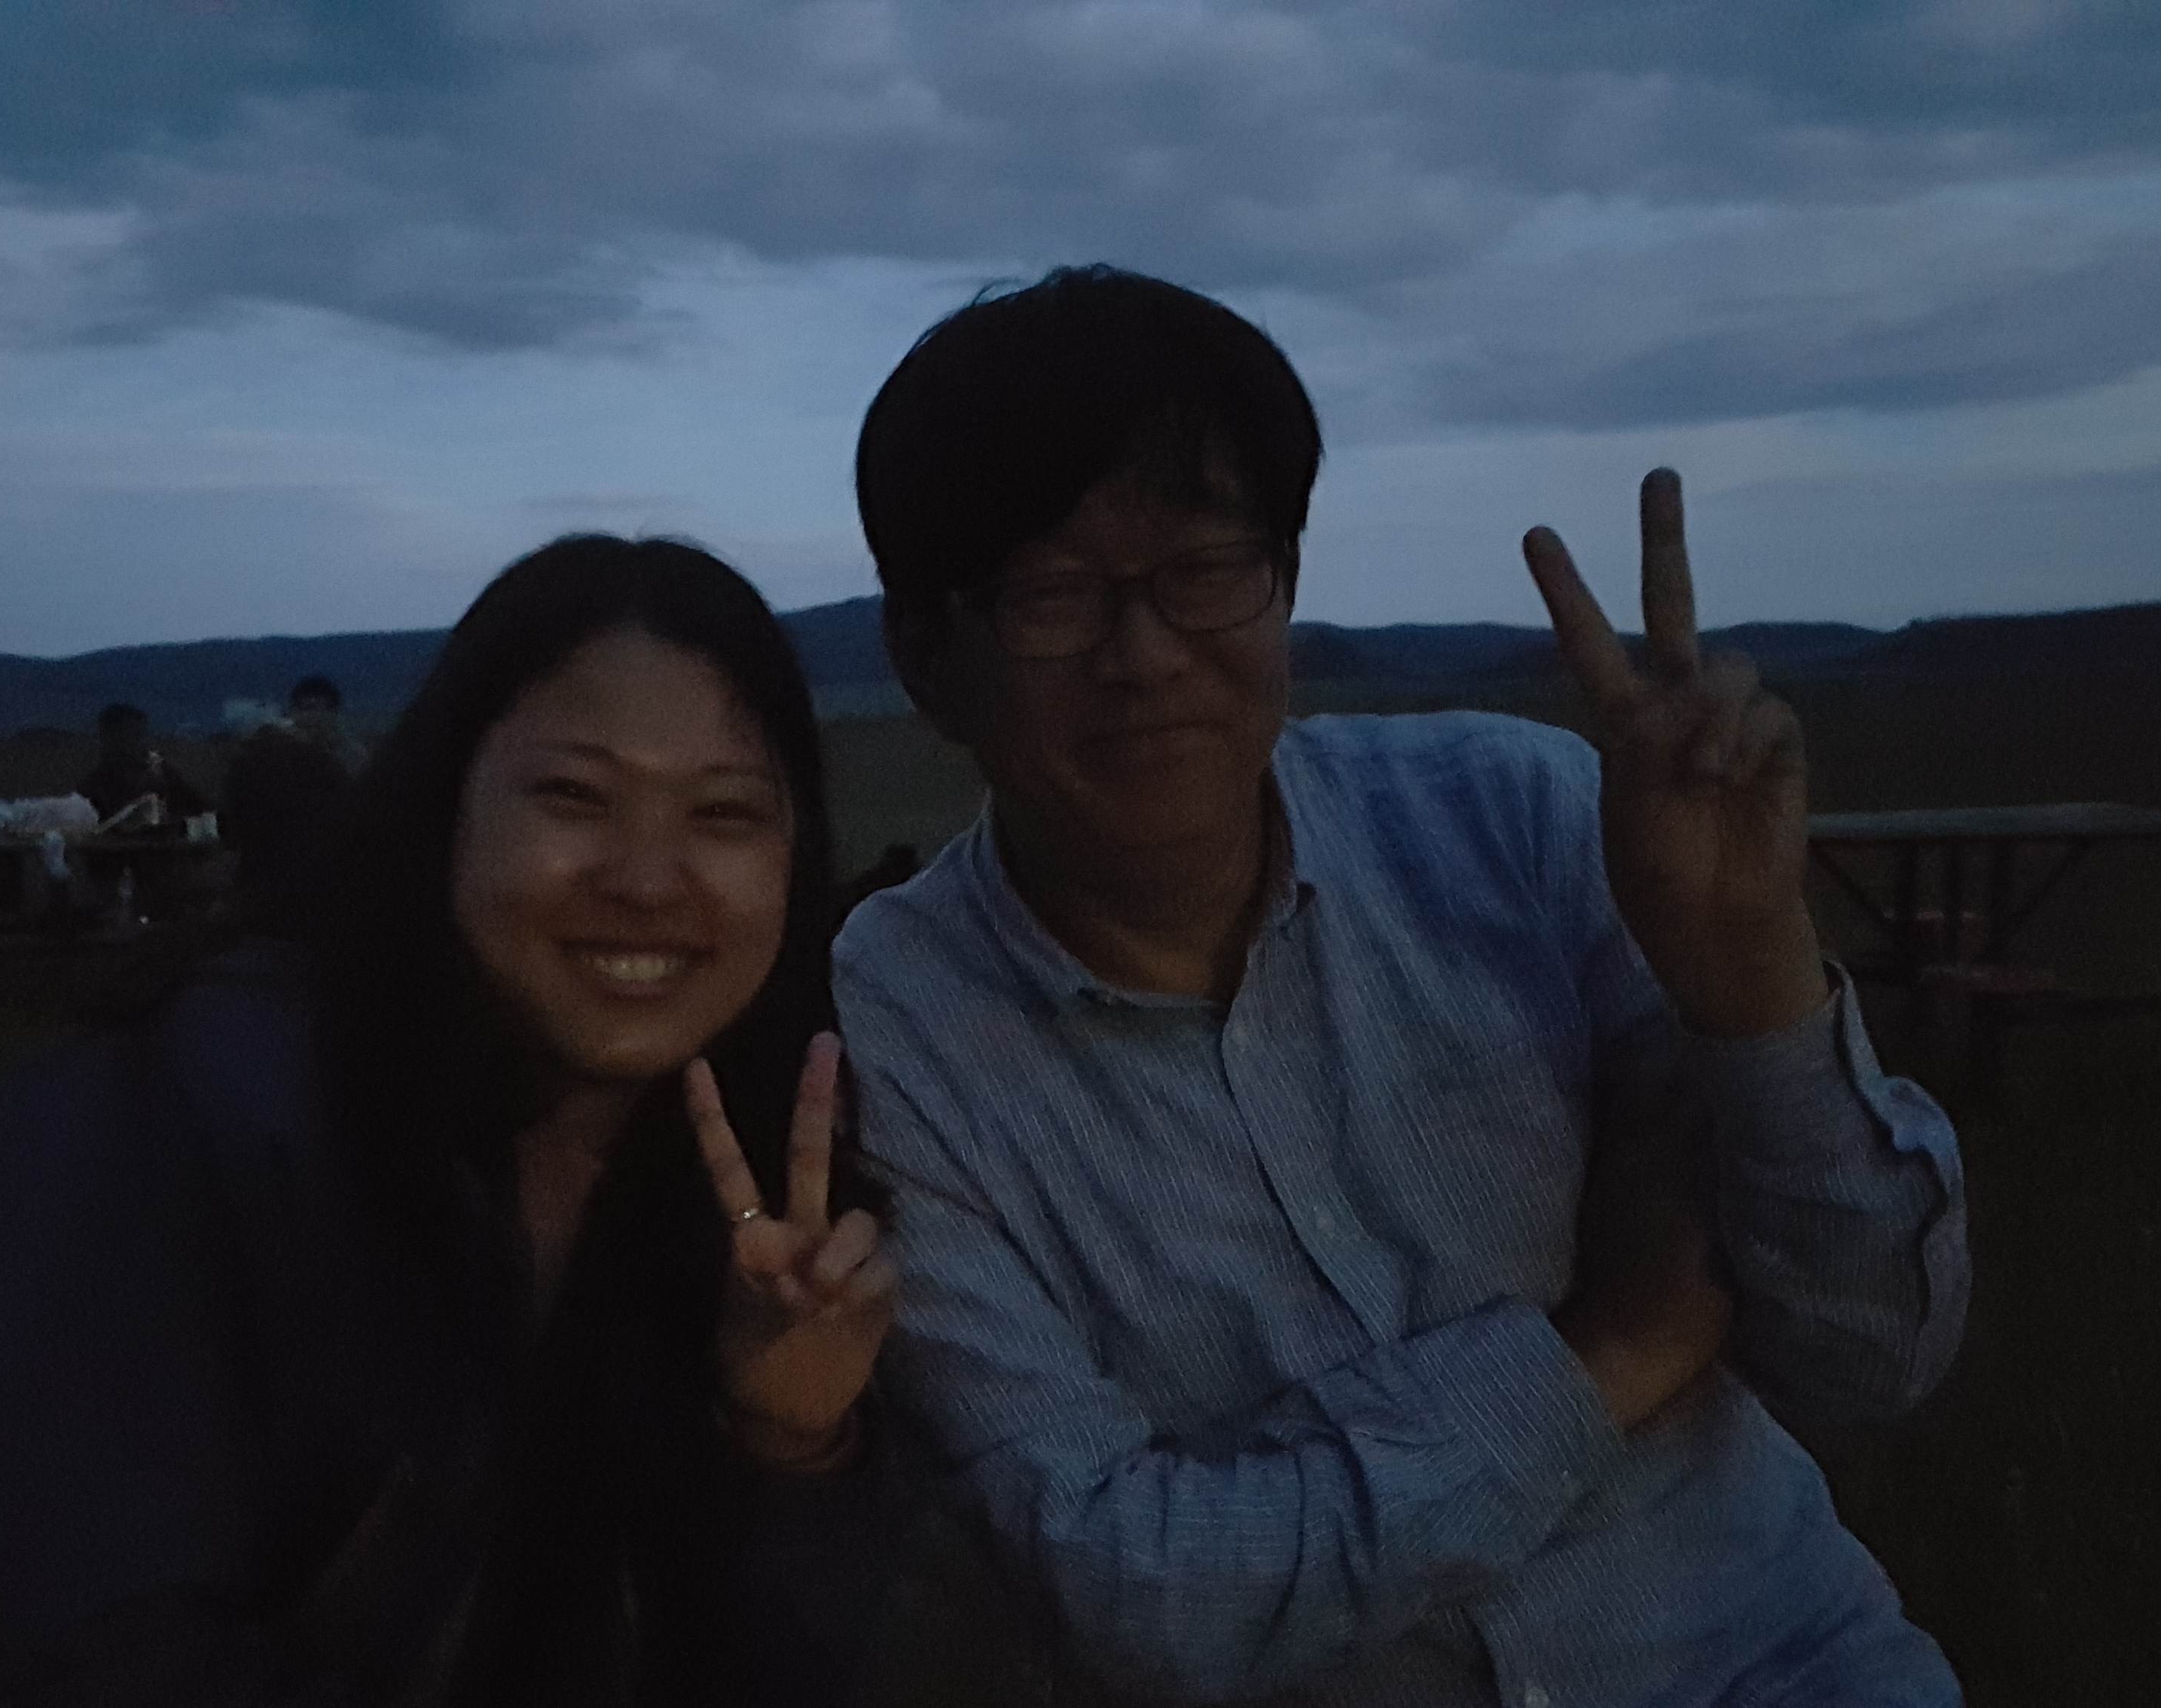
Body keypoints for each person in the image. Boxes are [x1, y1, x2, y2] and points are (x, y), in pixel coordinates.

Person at [833, 266, 1968, 1705]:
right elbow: (1130, 1598)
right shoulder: (896, 1033)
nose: (1145, 655)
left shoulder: (1524, 820)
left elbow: (1875, 1358)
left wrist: (1750, 979)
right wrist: (1603, 1357)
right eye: (1052, 595)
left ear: (1285, 585)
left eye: (1205, 567)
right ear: (928, 662)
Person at [0, 537, 898, 1706]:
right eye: (574, 796)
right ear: (442, 809)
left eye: (724, 814)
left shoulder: (705, 1198)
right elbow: (69, 1660)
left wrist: (788, 1445)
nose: (650, 878)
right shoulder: (178, 1124)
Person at [225, 675, 362, 929]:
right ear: (293, 713)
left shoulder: (349, 756)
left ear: (335, 716)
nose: (314, 719)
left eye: (322, 711)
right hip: (277, 878)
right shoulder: (267, 759)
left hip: (328, 875)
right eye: (307, 710)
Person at [79, 701, 214, 829]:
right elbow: (95, 832)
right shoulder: (91, 790)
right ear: (111, 741)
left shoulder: (163, 774)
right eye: (134, 736)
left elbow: (204, 810)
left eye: (143, 735)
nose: (144, 743)